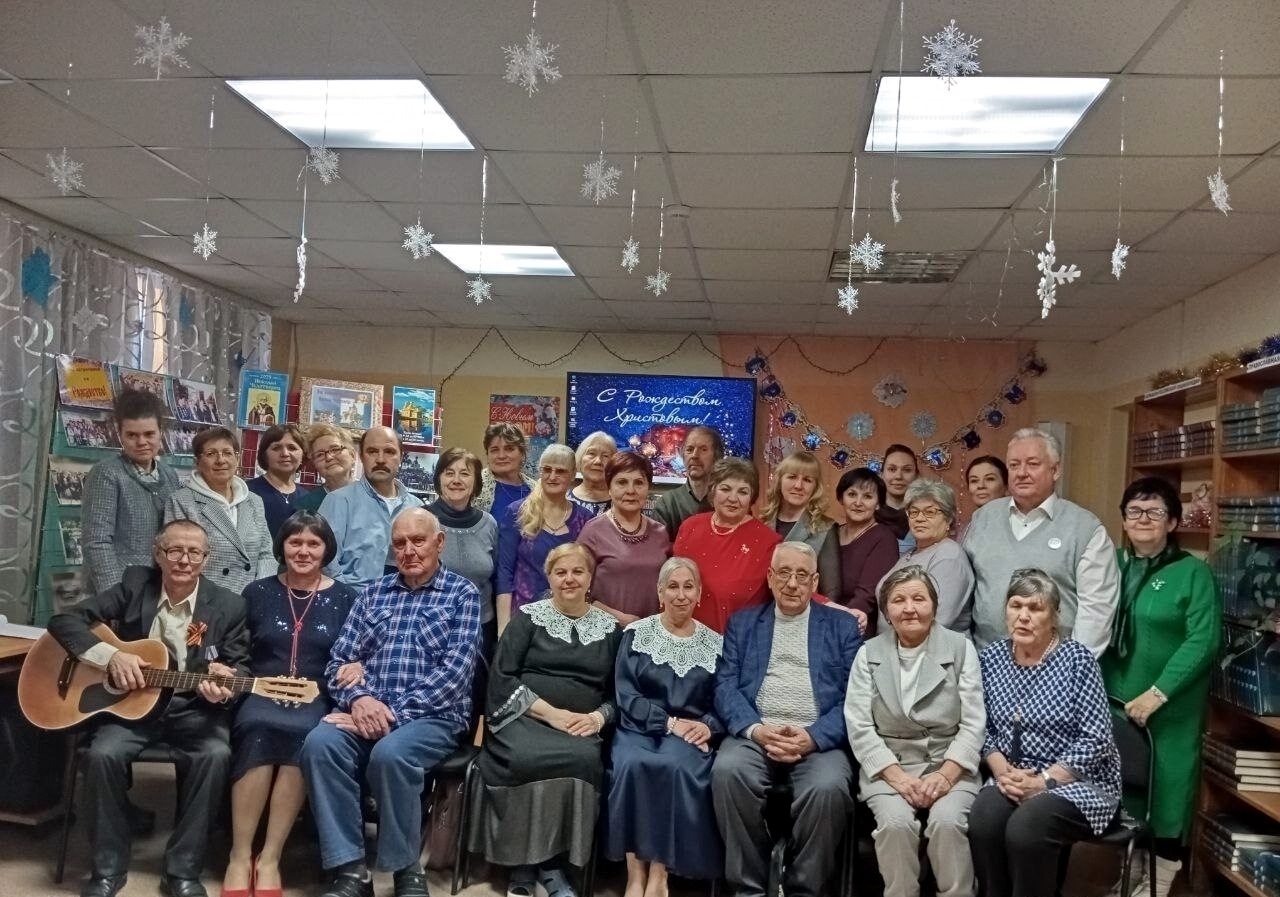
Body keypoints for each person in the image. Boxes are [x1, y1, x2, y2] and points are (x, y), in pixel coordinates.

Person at [47, 520, 249, 897]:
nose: (184, 560)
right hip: (131, 706)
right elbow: (64, 620)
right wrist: (110, 657)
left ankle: (182, 872)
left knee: (216, 755)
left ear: (206, 559)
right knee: (101, 755)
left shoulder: (228, 605)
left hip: (193, 708)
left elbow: (240, 666)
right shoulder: (134, 585)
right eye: (174, 550)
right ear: (158, 554)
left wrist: (224, 688)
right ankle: (107, 869)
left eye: (194, 553)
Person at [300, 508, 481, 897]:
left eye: (418, 541)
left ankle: (405, 869)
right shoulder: (372, 594)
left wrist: (391, 714)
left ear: (439, 543)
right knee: (319, 745)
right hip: (366, 709)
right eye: (400, 543)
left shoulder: (462, 594)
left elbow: (454, 675)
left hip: (434, 716)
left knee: (391, 755)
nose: (409, 551)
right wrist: (359, 699)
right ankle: (351, 870)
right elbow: (338, 663)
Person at [468, 542, 623, 897]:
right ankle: (524, 867)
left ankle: (553, 865)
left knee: (582, 759)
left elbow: (619, 693)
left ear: (590, 578)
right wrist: (553, 715)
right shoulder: (528, 619)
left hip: (581, 724)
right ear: (549, 578)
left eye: (578, 571)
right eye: (560, 572)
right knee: (524, 757)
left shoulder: (611, 631)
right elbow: (503, 678)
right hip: (523, 717)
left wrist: (598, 718)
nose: (569, 579)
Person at [221, 512, 359, 897]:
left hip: (317, 696)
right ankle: (239, 854)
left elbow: (357, 651)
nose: (303, 551)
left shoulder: (347, 598)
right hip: (260, 691)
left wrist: (357, 666)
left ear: (326, 549)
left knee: (307, 734)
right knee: (258, 727)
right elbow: (238, 650)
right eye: (295, 542)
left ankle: (270, 858)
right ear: (281, 546)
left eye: (313, 543)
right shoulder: (256, 592)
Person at [713, 541, 862, 897]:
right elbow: (724, 686)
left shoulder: (842, 627)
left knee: (829, 788)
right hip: (757, 732)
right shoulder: (743, 624)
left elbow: (856, 696)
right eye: (784, 573)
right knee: (727, 772)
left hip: (818, 739)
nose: (792, 584)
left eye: (801, 575)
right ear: (769, 577)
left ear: (815, 582)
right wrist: (757, 730)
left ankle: (801, 888)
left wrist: (813, 737)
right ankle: (750, 887)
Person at [968, 569, 1122, 897]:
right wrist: (1002, 771)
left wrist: (1043, 781)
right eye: (1016, 605)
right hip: (1011, 776)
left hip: (1078, 782)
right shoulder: (991, 659)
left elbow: (1096, 739)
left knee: (1027, 828)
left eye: (1035, 608)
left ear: (1054, 615)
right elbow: (980, 727)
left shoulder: (1078, 660)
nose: (1023, 616)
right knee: (984, 819)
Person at [1101, 477, 1221, 897]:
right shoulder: (1111, 564)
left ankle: (1162, 876)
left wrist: (1159, 693)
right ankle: (1132, 868)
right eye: (1134, 511)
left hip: (1169, 704)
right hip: (1114, 697)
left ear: (1172, 522)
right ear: (1123, 520)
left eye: (1155, 511)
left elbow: (1203, 639)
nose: (1143, 519)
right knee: (1128, 787)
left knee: (1168, 786)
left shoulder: (1192, 573)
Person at [846, 566, 985, 897]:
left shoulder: (961, 648)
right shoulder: (868, 654)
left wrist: (946, 775)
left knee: (947, 823)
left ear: (934, 606)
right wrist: (897, 777)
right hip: (890, 766)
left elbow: (973, 722)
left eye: (919, 599)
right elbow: (859, 725)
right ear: (886, 612)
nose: (909, 608)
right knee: (895, 825)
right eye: (899, 600)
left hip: (949, 762)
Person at [608, 557, 724, 896]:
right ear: (660, 593)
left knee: (674, 768)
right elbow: (626, 694)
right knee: (632, 764)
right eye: (673, 587)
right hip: (638, 727)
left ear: (699, 594)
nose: (681, 595)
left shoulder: (715, 644)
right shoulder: (636, 635)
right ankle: (634, 875)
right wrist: (667, 723)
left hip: (689, 733)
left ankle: (659, 873)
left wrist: (708, 726)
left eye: (689, 587)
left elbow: (723, 699)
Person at [963, 427, 1121, 656]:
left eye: (1033, 464)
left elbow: (1097, 611)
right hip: (986, 661)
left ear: (1055, 470)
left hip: (1053, 665)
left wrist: (1072, 666)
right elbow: (965, 591)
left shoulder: (1085, 529)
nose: (1021, 473)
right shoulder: (983, 518)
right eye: (1014, 465)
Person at [82, 389, 181, 595]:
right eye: (132, 435)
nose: (141, 442)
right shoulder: (107, 473)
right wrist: (115, 595)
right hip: (120, 590)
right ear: (120, 435)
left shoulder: (169, 475)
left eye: (149, 434)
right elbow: (96, 542)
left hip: (159, 587)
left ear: (161, 433)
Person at [425, 447, 500, 708]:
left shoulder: (489, 524)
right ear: (439, 478)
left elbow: (495, 577)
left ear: (476, 482)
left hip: (480, 628)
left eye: (465, 474)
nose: (456, 480)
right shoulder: (421, 519)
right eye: (449, 473)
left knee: (474, 701)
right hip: (431, 629)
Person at [673, 457, 782, 634]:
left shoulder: (769, 542)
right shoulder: (689, 527)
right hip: (682, 636)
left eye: (743, 492)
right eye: (725, 489)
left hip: (736, 642)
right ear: (713, 490)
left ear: (752, 497)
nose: (733, 498)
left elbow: (786, 590)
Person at [165, 427, 275, 595]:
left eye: (227, 453)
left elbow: (266, 553)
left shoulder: (254, 501)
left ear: (237, 458)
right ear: (197, 462)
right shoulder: (182, 501)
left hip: (251, 597)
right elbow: (179, 559)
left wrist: (259, 590)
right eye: (211, 454)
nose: (221, 460)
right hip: (205, 599)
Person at [495, 443, 593, 632]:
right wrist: (503, 631)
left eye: (560, 471)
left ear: (573, 475)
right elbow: (505, 574)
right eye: (547, 469)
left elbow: (587, 576)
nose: (552, 476)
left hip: (570, 620)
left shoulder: (585, 519)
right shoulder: (516, 513)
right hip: (523, 620)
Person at [320, 425, 425, 586]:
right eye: (372, 451)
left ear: (401, 457)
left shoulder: (417, 508)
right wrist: (350, 596)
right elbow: (326, 562)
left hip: (406, 599)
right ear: (361, 456)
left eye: (389, 452)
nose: (380, 459)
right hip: (353, 597)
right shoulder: (338, 501)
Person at [578, 452, 672, 627]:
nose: (631, 490)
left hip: (651, 632)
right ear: (609, 488)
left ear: (648, 487)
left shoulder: (660, 532)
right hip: (605, 631)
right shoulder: (593, 531)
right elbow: (577, 590)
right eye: (622, 482)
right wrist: (618, 618)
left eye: (639, 483)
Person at [878, 479, 975, 634]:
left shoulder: (949, 556)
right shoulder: (911, 553)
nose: (919, 518)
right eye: (914, 512)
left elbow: (939, 619)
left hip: (932, 647)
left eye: (929, 512)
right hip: (895, 645)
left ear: (948, 518)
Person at [758, 450, 840, 596]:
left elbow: (831, 593)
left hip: (804, 609)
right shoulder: (762, 523)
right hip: (760, 608)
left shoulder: (824, 528)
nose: (798, 485)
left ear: (816, 487)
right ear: (779, 480)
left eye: (807, 480)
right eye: (792, 477)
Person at [833, 467, 900, 637]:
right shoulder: (830, 533)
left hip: (857, 625)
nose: (858, 502)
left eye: (867, 497)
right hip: (823, 616)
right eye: (852, 494)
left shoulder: (884, 538)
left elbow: (866, 596)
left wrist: (838, 624)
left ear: (878, 504)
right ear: (841, 498)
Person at [652, 426, 724, 539]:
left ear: (717, 457)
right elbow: (658, 546)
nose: (694, 455)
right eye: (689, 449)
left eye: (703, 449)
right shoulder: (668, 503)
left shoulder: (728, 501)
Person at [245, 423, 311, 538]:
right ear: (264, 455)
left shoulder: (307, 497)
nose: (285, 454)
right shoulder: (247, 492)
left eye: (292, 448)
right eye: (276, 448)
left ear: (303, 456)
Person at [474, 422, 536, 514]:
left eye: (509, 449)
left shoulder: (536, 489)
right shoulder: (474, 486)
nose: (501, 456)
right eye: (494, 450)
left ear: (522, 453)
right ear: (488, 454)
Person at [295, 424, 357, 513]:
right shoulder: (305, 506)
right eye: (320, 455)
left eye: (335, 449)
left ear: (352, 455)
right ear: (314, 464)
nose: (329, 457)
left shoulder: (372, 497)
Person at [878, 444, 921, 554]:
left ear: (916, 476)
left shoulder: (926, 517)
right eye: (892, 469)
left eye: (907, 470)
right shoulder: (868, 516)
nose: (898, 476)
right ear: (881, 474)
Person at [569, 430, 617, 516]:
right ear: (580, 459)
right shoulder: (563, 500)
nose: (598, 461)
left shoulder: (624, 503)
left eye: (605, 456)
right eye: (592, 453)